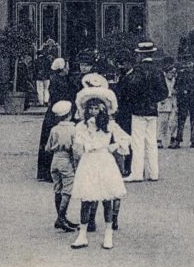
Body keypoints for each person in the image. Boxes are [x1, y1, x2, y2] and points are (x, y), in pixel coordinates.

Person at [70, 88, 130, 250]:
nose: (93, 111)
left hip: (104, 161)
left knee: (107, 199)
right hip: (89, 161)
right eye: (91, 108)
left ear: (103, 109)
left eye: (97, 108)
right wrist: (80, 149)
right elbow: (77, 144)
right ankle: (82, 235)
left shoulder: (109, 125)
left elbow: (125, 138)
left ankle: (108, 235)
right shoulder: (82, 126)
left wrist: (113, 146)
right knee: (86, 199)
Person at [125, 41, 168, 181]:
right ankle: (154, 173)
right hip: (152, 110)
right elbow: (164, 92)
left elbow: (130, 89)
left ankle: (137, 174)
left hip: (138, 110)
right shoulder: (158, 70)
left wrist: (137, 100)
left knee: (137, 142)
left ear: (141, 54)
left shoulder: (137, 70)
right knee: (151, 142)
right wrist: (152, 99)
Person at [37, 58, 76, 182]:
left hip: (54, 112)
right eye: (66, 67)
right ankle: (50, 172)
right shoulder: (59, 81)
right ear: (62, 68)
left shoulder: (57, 79)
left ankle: (46, 172)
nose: (68, 69)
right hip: (59, 112)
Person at [45, 100, 77, 233]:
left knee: (57, 188)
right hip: (66, 159)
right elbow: (75, 149)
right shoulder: (73, 129)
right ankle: (61, 217)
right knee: (68, 190)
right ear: (69, 114)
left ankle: (62, 217)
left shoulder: (54, 129)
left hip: (55, 159)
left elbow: (47, 148)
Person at [171, 60, 194, 149]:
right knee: (181, 120)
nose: (189, 64)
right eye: (187, 63)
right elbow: (176, 86)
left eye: (190, 62)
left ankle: (193, 140)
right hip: (184, 100)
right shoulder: (181, 74)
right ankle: (178, 140)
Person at [157, 58, 177, 149]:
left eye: (173, 73)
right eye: (171, 72)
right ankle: (159, 140)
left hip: (173, 102)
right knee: (163, 122)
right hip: (164, 102)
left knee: (173, 122)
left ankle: (173, 138)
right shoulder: (162, 80)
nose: (172, 74)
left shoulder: (175, 80)